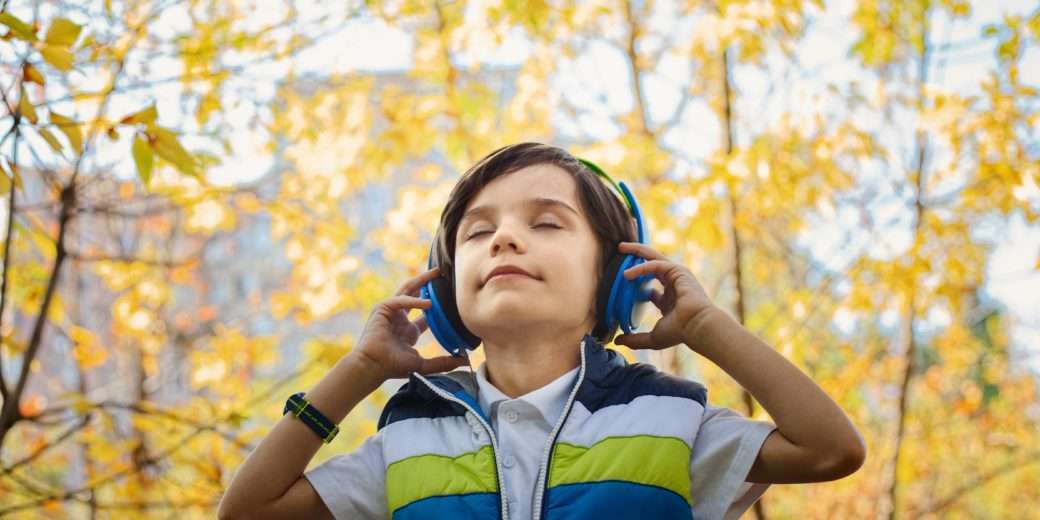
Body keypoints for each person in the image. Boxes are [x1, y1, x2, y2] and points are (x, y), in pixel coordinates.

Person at [218, 143, 866, 520]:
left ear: (616, 278)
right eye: (478, 231)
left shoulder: (669, 421)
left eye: (547, 223)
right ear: (443, 293)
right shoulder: (409, 440)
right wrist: (358, 371)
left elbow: (830, 450)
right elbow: (247, 510)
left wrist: (705, 326)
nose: (504, 237)